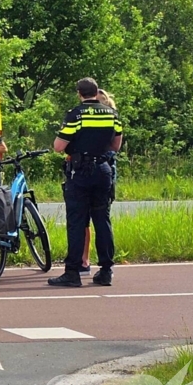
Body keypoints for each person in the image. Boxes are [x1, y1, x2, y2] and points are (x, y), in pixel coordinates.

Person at [48, 78, 123, 288]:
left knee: (77, 222)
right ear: (95, 91)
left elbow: (58, 146)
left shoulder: (76, 114)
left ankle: (73, 272)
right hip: (103, 170)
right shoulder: (111, 114)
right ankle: (106, 270)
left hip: (81, 172)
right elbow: (116, 145)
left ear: (79, 93)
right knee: (102, 220)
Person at [79, 89, 118, 275]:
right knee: (87, 221)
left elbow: (115, 148)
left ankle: (103, 265)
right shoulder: (110, 120)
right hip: (100, 172)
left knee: (98, 219)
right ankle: (85, 261)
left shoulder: (109, 121)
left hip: (100, 172)